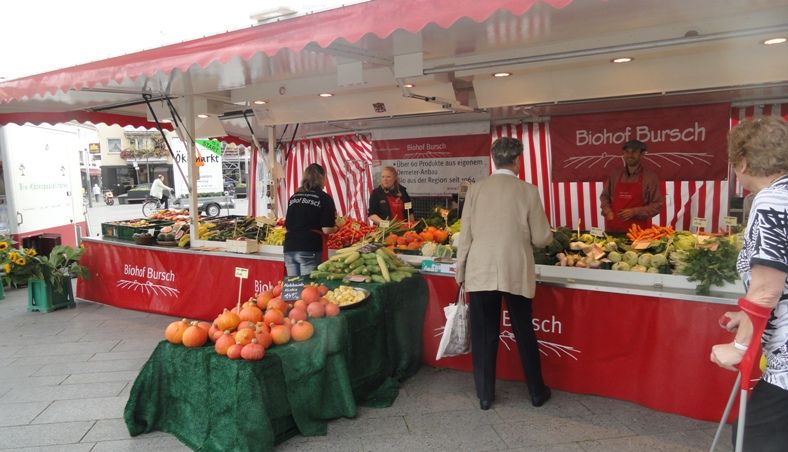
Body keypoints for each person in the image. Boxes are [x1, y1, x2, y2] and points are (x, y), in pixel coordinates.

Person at [455, 137, 554, 411]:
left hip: (481, 269)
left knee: (485, 333)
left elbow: (466, 236)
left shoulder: (475, 190)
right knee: (524, 331)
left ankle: (485, 395)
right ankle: (536, 392)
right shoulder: (529, 191)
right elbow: (542, 237)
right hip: (516, 269)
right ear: (517, 160)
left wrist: (460, 271)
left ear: (493, 159)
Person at [710, 116, 788, 451]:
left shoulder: (771, 200)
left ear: (742, 161)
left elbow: (768, 287)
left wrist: (739, 347)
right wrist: (749, 316)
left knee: (753, 438)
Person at [284, 164, 337, 276]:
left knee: (294, 289)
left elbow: (287, 225)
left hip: (290, 248)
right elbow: (327, 229)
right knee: (308, 288)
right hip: (309, 248)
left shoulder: (294, 197)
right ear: (322, 178)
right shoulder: (324, 198)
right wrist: (338, 227)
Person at [599, 139, 663, 232]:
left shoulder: (651, 177)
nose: (630, 155)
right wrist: (608, 212)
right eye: (627, 152)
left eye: (634, 152)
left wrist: (635, 211)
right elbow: (604, 197)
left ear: (642, 154)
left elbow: (657, 204)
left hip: (639, 231)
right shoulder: (614, 175)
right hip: (614, 228)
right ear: (623, 154)